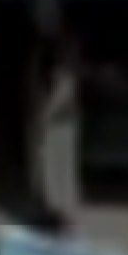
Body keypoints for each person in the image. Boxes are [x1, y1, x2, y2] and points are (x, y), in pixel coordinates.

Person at [22, 14, 86, 242]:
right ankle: (51, 213)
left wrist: (45, 114)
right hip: (50, 119)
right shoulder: (43, 54)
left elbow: (64, 90)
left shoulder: (63, 59)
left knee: (60, 170)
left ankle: (64, 220)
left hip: (60, 122)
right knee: (46, 168)